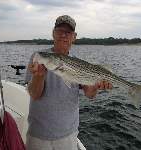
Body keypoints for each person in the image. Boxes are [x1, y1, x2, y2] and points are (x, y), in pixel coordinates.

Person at [25, 15, 112, 150]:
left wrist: (96, 86)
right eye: (60, 31)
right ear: (53, 33)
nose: (64, 35)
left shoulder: (79, 63)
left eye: (68, 32)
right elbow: (34, 95)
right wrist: (39, 77)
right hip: (39, 133)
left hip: (68, 134)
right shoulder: (39, 56)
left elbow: (89, 94)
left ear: (74, 37)